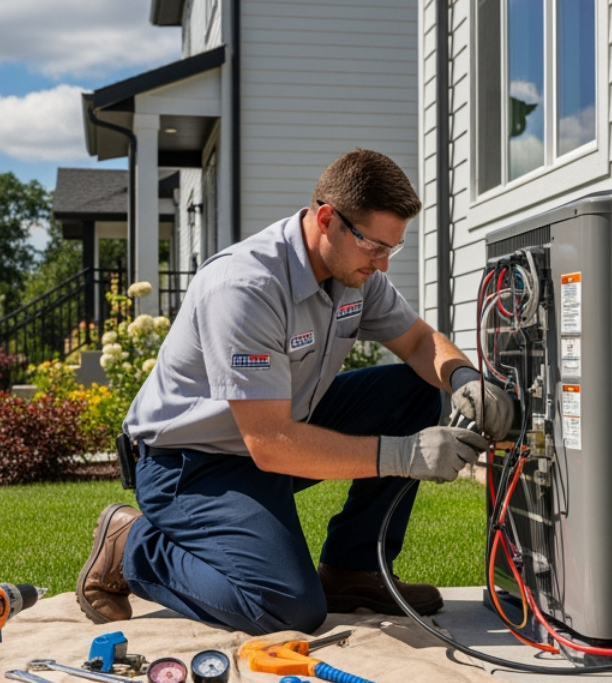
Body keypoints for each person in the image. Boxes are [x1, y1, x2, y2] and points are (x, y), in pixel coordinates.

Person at [77, 149, 514, 636]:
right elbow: (268, 443)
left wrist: (463, 378)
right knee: (287, 608)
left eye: (394, 247)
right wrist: (405, 454)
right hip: (190, 464)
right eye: (375, 246)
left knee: (415, 389)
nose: (384, 262)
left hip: (272, 433)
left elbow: (416, 342)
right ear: (327, 219)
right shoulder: (245, 287)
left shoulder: (355, 274)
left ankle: (354, 570)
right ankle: (131, 546)